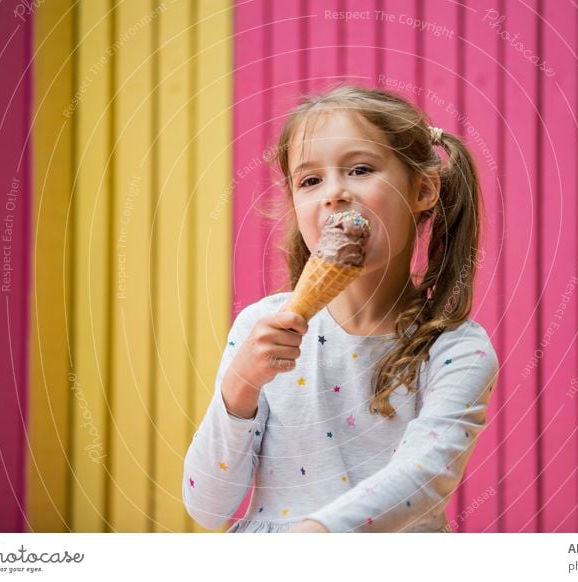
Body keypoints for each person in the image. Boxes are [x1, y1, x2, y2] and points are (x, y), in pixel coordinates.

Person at [182, 84, 499, 533]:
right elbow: (207, 507)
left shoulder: (457, 350)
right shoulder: (259, 326)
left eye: (360, 169)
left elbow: (423, 475)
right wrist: (240, 385)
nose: (333, 192)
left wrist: (320, 535)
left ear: (423, 190)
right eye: (310, 180)